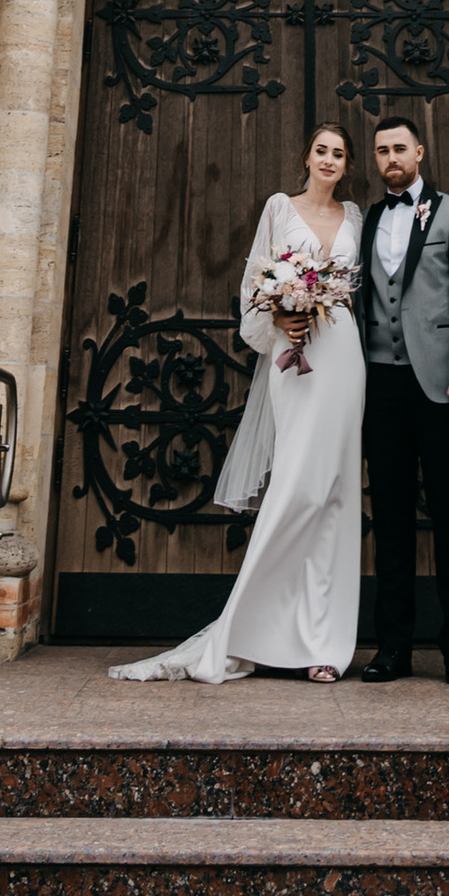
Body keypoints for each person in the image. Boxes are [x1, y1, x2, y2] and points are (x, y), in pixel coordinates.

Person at [109, 123, 362, 686]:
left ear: (348, 165)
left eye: (339, 154)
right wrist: (281, 316)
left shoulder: (355, 217)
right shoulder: (280, 208)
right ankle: (250, 631)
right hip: (295, 356)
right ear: (306, 157)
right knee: (296, 489)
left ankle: (324, 643)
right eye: (321, 150)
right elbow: (255, 286)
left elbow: (356, 290)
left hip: (345, 356)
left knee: (336, 494)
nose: (329, 160)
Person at [358, 110, 449, 687]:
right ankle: (393, 648)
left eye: (399, 149)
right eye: (381, 150)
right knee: (389, 520)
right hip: (379, 384)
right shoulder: (366, 219)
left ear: (419, 153)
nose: (390, 158)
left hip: (441, 384)